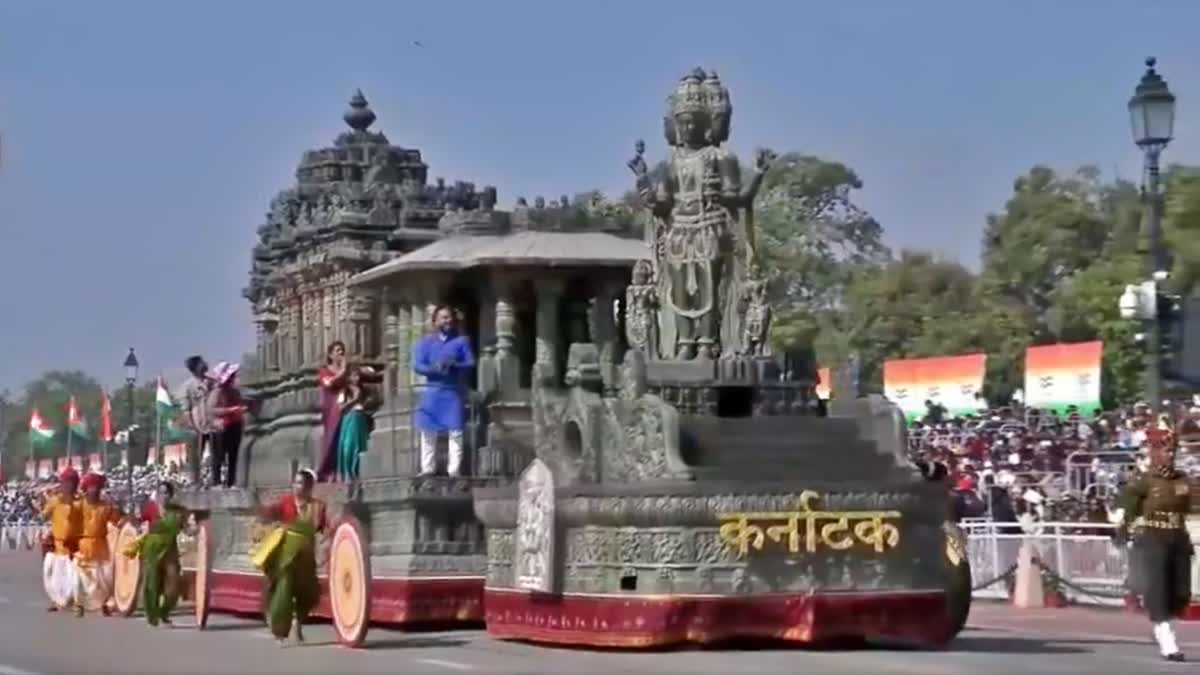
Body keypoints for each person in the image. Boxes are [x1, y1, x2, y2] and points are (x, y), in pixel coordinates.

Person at [1116, 429, 1192, 662]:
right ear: (1156, 453)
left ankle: (1162, 624)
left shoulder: (1181, 480)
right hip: (1153, 539)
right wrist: (1122, 530)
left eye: (1172, 451)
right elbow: (1126, 509)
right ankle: (1167, 640)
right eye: (1165, 450)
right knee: (1158, 590)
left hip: (1177, 538)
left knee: (1180, 592)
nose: (1170, 455)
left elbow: (1187, 508)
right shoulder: (1144, 481)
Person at [252, 468, 326, 644]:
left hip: (307, 557)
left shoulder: (318, 507)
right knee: (283, 591)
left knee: (309, 594)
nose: (297, 486)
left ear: (310, 487)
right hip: (286, 556)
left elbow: (325, 530)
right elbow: (268, 514)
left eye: (301, 483)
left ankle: (298, 624)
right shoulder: (286, 503)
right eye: (295, 482)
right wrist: (256, 501)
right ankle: (279, 631)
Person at [413, 305, 474, 476]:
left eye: (449, 317)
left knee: (455, 431)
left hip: (452, 391)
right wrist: (433, 368)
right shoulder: (425, 343)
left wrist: (455, 365)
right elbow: (417, 365)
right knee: (428, 431)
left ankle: (454, 470)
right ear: (435, 321)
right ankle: (427, 469)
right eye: (443, 318)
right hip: (432, 391)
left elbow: (470, 363)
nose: (447, 321)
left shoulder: (461, 341)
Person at [127, 481, 187, 627]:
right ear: (157, 494)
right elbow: (137, 522)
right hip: (152, 550)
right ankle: (153, 615)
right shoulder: (150, 508)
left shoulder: (179, 512)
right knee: (152, 584)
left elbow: (187, 529)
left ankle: (164, 612)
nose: (163, 496)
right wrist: (131, 517)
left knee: (173, 586)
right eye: (161, 493)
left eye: (166, 493)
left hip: (170, 551)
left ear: (171, 495)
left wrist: (198, 531)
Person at [74, 472, 122, 617]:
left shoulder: (106, 507)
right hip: (83, 546)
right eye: (91, 487)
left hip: (101, 546)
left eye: (96, 487)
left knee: (104, 579)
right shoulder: (78, 505)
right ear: (85, 488)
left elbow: (118, 521)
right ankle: (79, 605)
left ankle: (103, 604)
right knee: (81, 579)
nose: (94, 490)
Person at [41, 466, 82, 612]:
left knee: (75, 577)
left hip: (76, 546)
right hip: (58, 546)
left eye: (71, 482)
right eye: (65, 482)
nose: (68, 486)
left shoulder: (81, 501)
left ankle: (77, 602)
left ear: (76, 484)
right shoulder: (54, 501)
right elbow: (43, 516)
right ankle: (55, 600)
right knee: (55, 575)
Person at [208, 362, 247, 488]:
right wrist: (230, 410)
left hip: (235, 425)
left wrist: (241, 408)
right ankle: (216, 482)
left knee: (233, 456)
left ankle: (232, 482)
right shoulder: (217, 392)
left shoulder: (235, 391)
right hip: (220, 428)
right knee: (218, 457)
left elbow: (241, 403)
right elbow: (211, 410)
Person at [316, 342, 349, 481]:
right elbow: (328, 383)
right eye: (337, 350)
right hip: (331, 409)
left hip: (346, 407)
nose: (340, 353)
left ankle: (341, 470)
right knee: (331, 438)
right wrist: (343, 371)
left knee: (344, 439)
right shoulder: (324, 371)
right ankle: (328, 471)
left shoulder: (346, 371)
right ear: (330, 354)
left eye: (342, 350)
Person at [336, 367, 372, 482]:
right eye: (353, 376)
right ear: (348, 378)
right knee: (349, 445)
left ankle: (357, 473)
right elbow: (340, 408)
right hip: (350, 418)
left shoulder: (362, 389)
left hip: (360, 417)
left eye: (358, 376)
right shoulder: (345, 391)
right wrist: (354, 400)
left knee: (360, 445)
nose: (356, 378)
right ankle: (348, 473)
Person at [183, 355, 214, 486]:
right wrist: (192, 426)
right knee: (195, 457)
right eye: (202, 363)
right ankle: (195, 482)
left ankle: (215, 480)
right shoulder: (188, 386)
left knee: (216, 455)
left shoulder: (212, 382)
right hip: (197, 426)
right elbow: (186, 409)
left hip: (212, 424)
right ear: (195, 368)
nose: (205, 364)